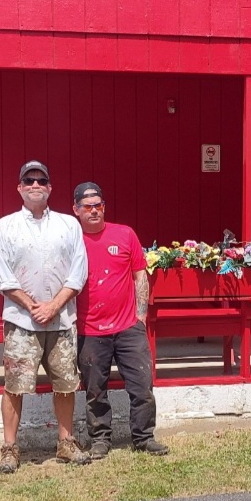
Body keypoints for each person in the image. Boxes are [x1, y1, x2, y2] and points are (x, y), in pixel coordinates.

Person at [0, 160, 90, 472]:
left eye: (41, 180)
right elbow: (1, 274)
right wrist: (32, 305)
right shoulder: (5, 226)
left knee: (65, 383)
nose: (35, 185)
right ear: (19, 187)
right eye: (28, 180)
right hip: (21, 321)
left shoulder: (68, 225)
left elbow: (78, 270)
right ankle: (9, 448)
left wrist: (54, 305)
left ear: (49, 188)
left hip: (62, 320)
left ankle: (66, 443)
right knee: (15, 384)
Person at [71, 182, 168, 458]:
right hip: (89, 328)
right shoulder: (71, 241)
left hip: (128, 327)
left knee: (142, 386)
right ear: (76, 210)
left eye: (98, 205)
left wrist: (140, 316)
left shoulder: (124, 234)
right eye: (87, 206)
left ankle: (144, 437)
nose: (94, 211)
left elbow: (140, 275)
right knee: (94, 390)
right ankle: (100, 439)